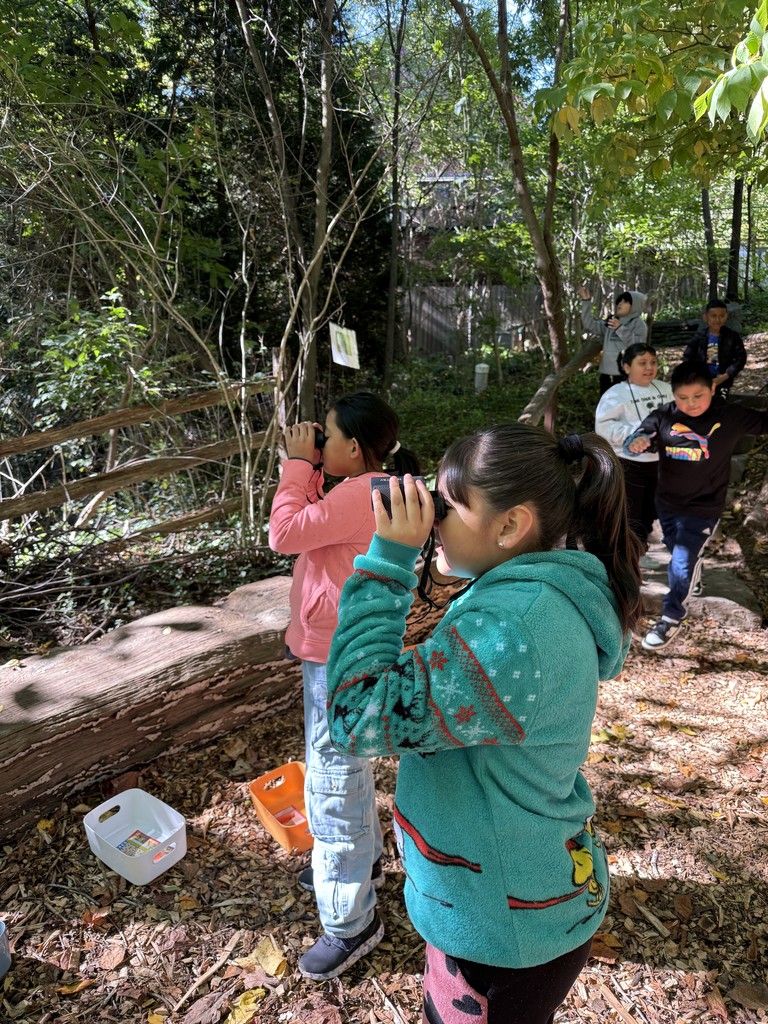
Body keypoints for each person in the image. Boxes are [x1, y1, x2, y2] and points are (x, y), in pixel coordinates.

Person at [326, 425, 643, 1023]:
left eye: (448, 505)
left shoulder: (515, 632)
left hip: (506, 929)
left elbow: (356, 715)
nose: (434, 520)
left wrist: (390, 558)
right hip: (500, 899)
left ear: (509, 525)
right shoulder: (526, 596)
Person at [268, 391, 422, 981]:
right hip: (338, 646)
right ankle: (366, 863)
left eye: (326, 436)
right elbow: (308, 532)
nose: (317, 442)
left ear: (354, 449)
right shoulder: (368, 488)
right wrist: (312, 471)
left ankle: (350, 923)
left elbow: (284, 533)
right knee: (342, 765)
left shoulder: (359, 492)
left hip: (336, 654)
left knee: (332, 779)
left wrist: (297, 465)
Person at [626, 360, 768, 651]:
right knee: (674, 547)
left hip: (704, 506)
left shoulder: (730, 416)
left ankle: (671, 616)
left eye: (698, 396)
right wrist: (637, 441)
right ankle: (692, 576)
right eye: (682, 397)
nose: (690, 404)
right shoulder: (664, 416)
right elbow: (642, 435)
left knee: (680, 560)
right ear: (673, 394)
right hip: (666, 504)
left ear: (713, 389)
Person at [595, 342, 673, 547]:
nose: (649, 368)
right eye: (642, 363)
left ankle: (641, 546)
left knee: (651, 509)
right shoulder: (615, 394)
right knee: (631, 511)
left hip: (660, 461)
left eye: (653, 362)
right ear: (627, 367)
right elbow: (603, 427)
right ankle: (629, 554)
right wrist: (632, 436)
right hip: (629, 463)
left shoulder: (667, 390)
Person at [579, 286, 648, 395]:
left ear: (635, 305)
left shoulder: (639, 324)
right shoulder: (611, 323)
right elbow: (589, 325)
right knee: (607, 408)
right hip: (606, 375)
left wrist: (620, 328)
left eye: (625, 302)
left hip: (627, 376)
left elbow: (639, 346)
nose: (620, 304)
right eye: (619, 301)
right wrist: (586, 301)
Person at [683, 298, 747, 400]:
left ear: (726, 316)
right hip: (702, 380)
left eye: (721, 316)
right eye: (713, 316)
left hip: (723, 380)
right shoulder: (700, 336)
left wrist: (726, 375)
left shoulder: (732, 336)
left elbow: (741, 359)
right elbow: (688, 357)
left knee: (720, 405)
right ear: (706, 317)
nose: (717, 320)